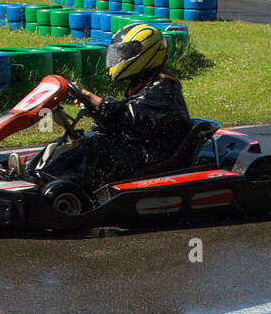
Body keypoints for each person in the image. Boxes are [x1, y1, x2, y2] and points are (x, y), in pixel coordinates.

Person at [20, 22, 191, 193]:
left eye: (125, 53)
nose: (119, 59)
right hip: (138, 147)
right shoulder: (142, 84)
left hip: (154, 156)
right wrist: (94, 110)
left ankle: (42, 183)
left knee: (94, 146)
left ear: (146, 54)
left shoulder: (164, 87)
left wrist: (89, 97)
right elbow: (125, 120)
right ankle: (29, 171)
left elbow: (130, 118)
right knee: (74, 140)